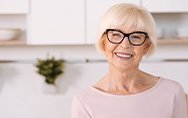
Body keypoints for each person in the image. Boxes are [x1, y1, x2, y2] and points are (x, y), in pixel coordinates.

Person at [71, 3, 188, 118]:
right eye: (116, 34)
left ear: (146, 46)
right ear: (104, 42)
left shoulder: (173, 92)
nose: (125, 44)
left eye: (136, 36)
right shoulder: (84, 103)